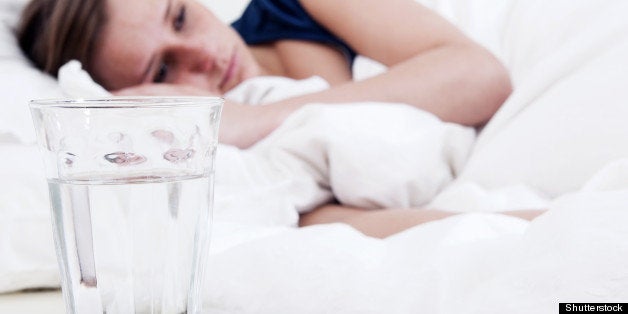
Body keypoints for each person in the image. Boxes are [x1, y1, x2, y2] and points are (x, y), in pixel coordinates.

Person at [18, 0, 540, 238]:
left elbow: (480, 76)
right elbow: (335, 230)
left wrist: (258, 119)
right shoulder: (232, 162)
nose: (203, 53)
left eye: (180, 17)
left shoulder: (296, 7)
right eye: (164, 67)